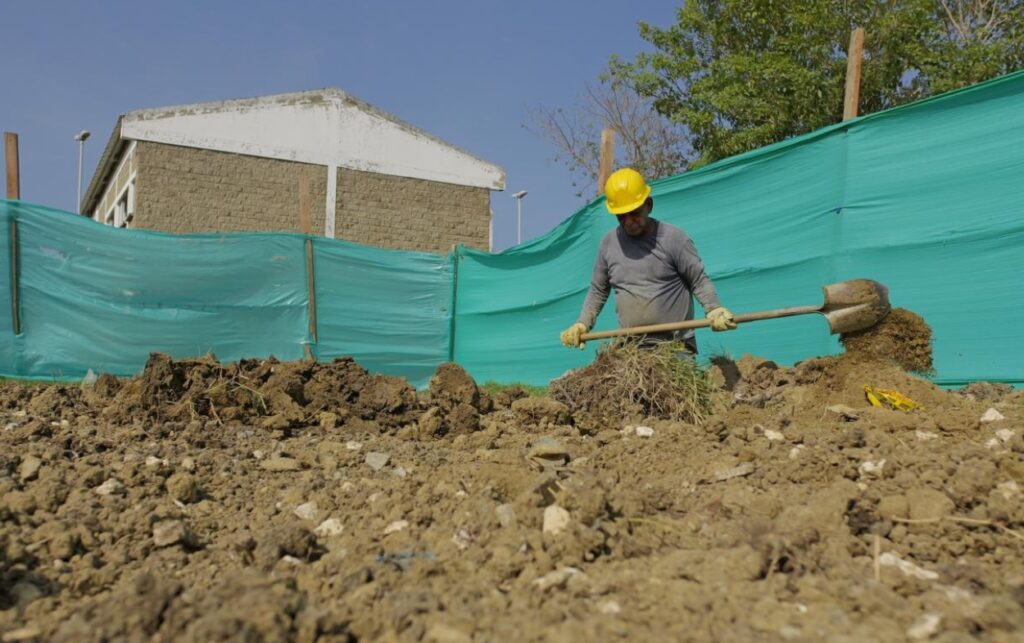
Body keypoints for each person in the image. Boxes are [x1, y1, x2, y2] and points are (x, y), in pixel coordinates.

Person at [560, 167, 736, 353]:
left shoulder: (673, 238)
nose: (628, 221)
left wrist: (713, 309)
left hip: (675, 347)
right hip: (632, 348)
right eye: (621, 215)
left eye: (634, 212)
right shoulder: (609, 244)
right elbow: (598, 290)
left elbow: (698, 280)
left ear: (648, 205)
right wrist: (583, 323)